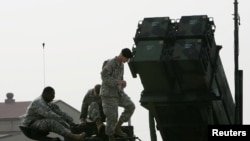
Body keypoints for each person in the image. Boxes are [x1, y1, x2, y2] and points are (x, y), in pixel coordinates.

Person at [100, 48, 136, 141]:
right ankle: (110, 137)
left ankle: (117, 127)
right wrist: (118, 82)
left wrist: (122, 83)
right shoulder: (110, 63)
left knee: (130, 106)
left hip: (118, 93)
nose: (127, 61)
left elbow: (120, 78)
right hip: (108, 94)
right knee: (112, 117)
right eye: (126, 59)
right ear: (122, 55)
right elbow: (104, 77)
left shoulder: (121, 65)